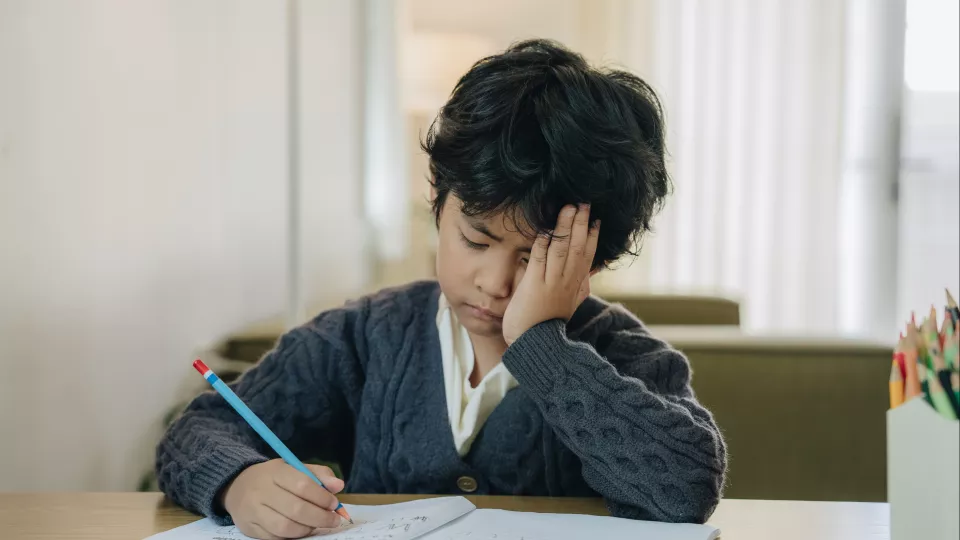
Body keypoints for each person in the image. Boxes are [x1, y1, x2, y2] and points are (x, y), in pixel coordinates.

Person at [156, 38, 727, 540]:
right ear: (438, 202)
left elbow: (685, 493)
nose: (495, 282)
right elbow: (197, 429)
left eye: (533, 259)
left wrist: (542, 346)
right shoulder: (365, 337)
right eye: (475, 241)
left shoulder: (623, 355)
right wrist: (239, 482)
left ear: (592, 260)